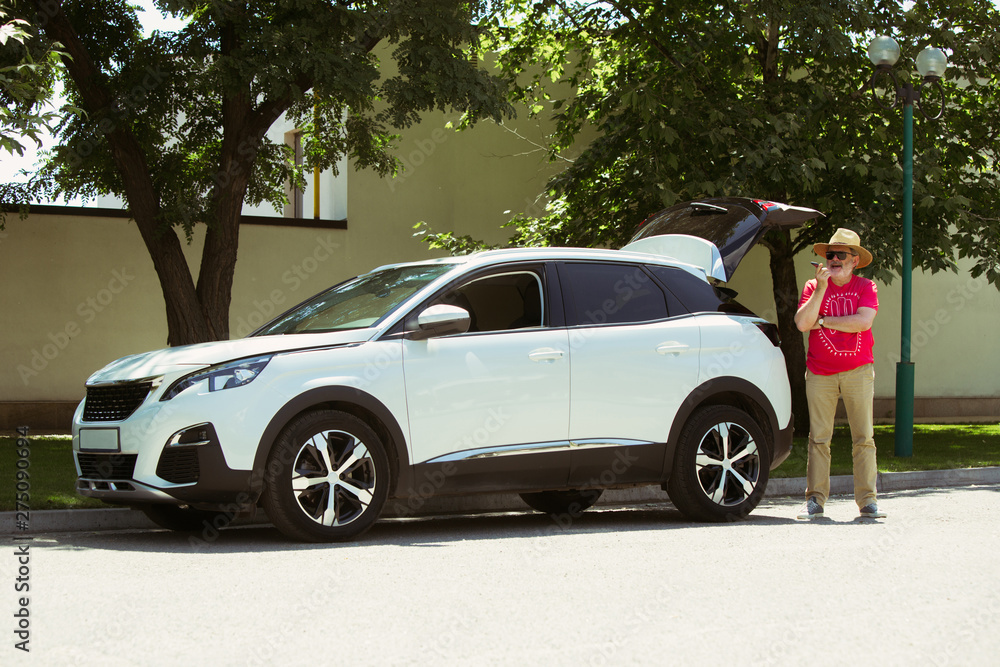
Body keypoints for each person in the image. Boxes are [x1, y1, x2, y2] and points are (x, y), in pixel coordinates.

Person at [793, 228, 884, 519]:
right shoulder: (813, 286)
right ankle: (815, 501)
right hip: (820, 373)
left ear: (854, 260)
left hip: (858, 371)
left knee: (864, 438)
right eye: (829, 254)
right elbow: (802, 324)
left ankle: (868, 501)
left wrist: (825, 320)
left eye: (840, 255)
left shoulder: (866, 287)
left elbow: (862, 322)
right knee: (819, 438)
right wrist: (820, 290)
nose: (833, 259)